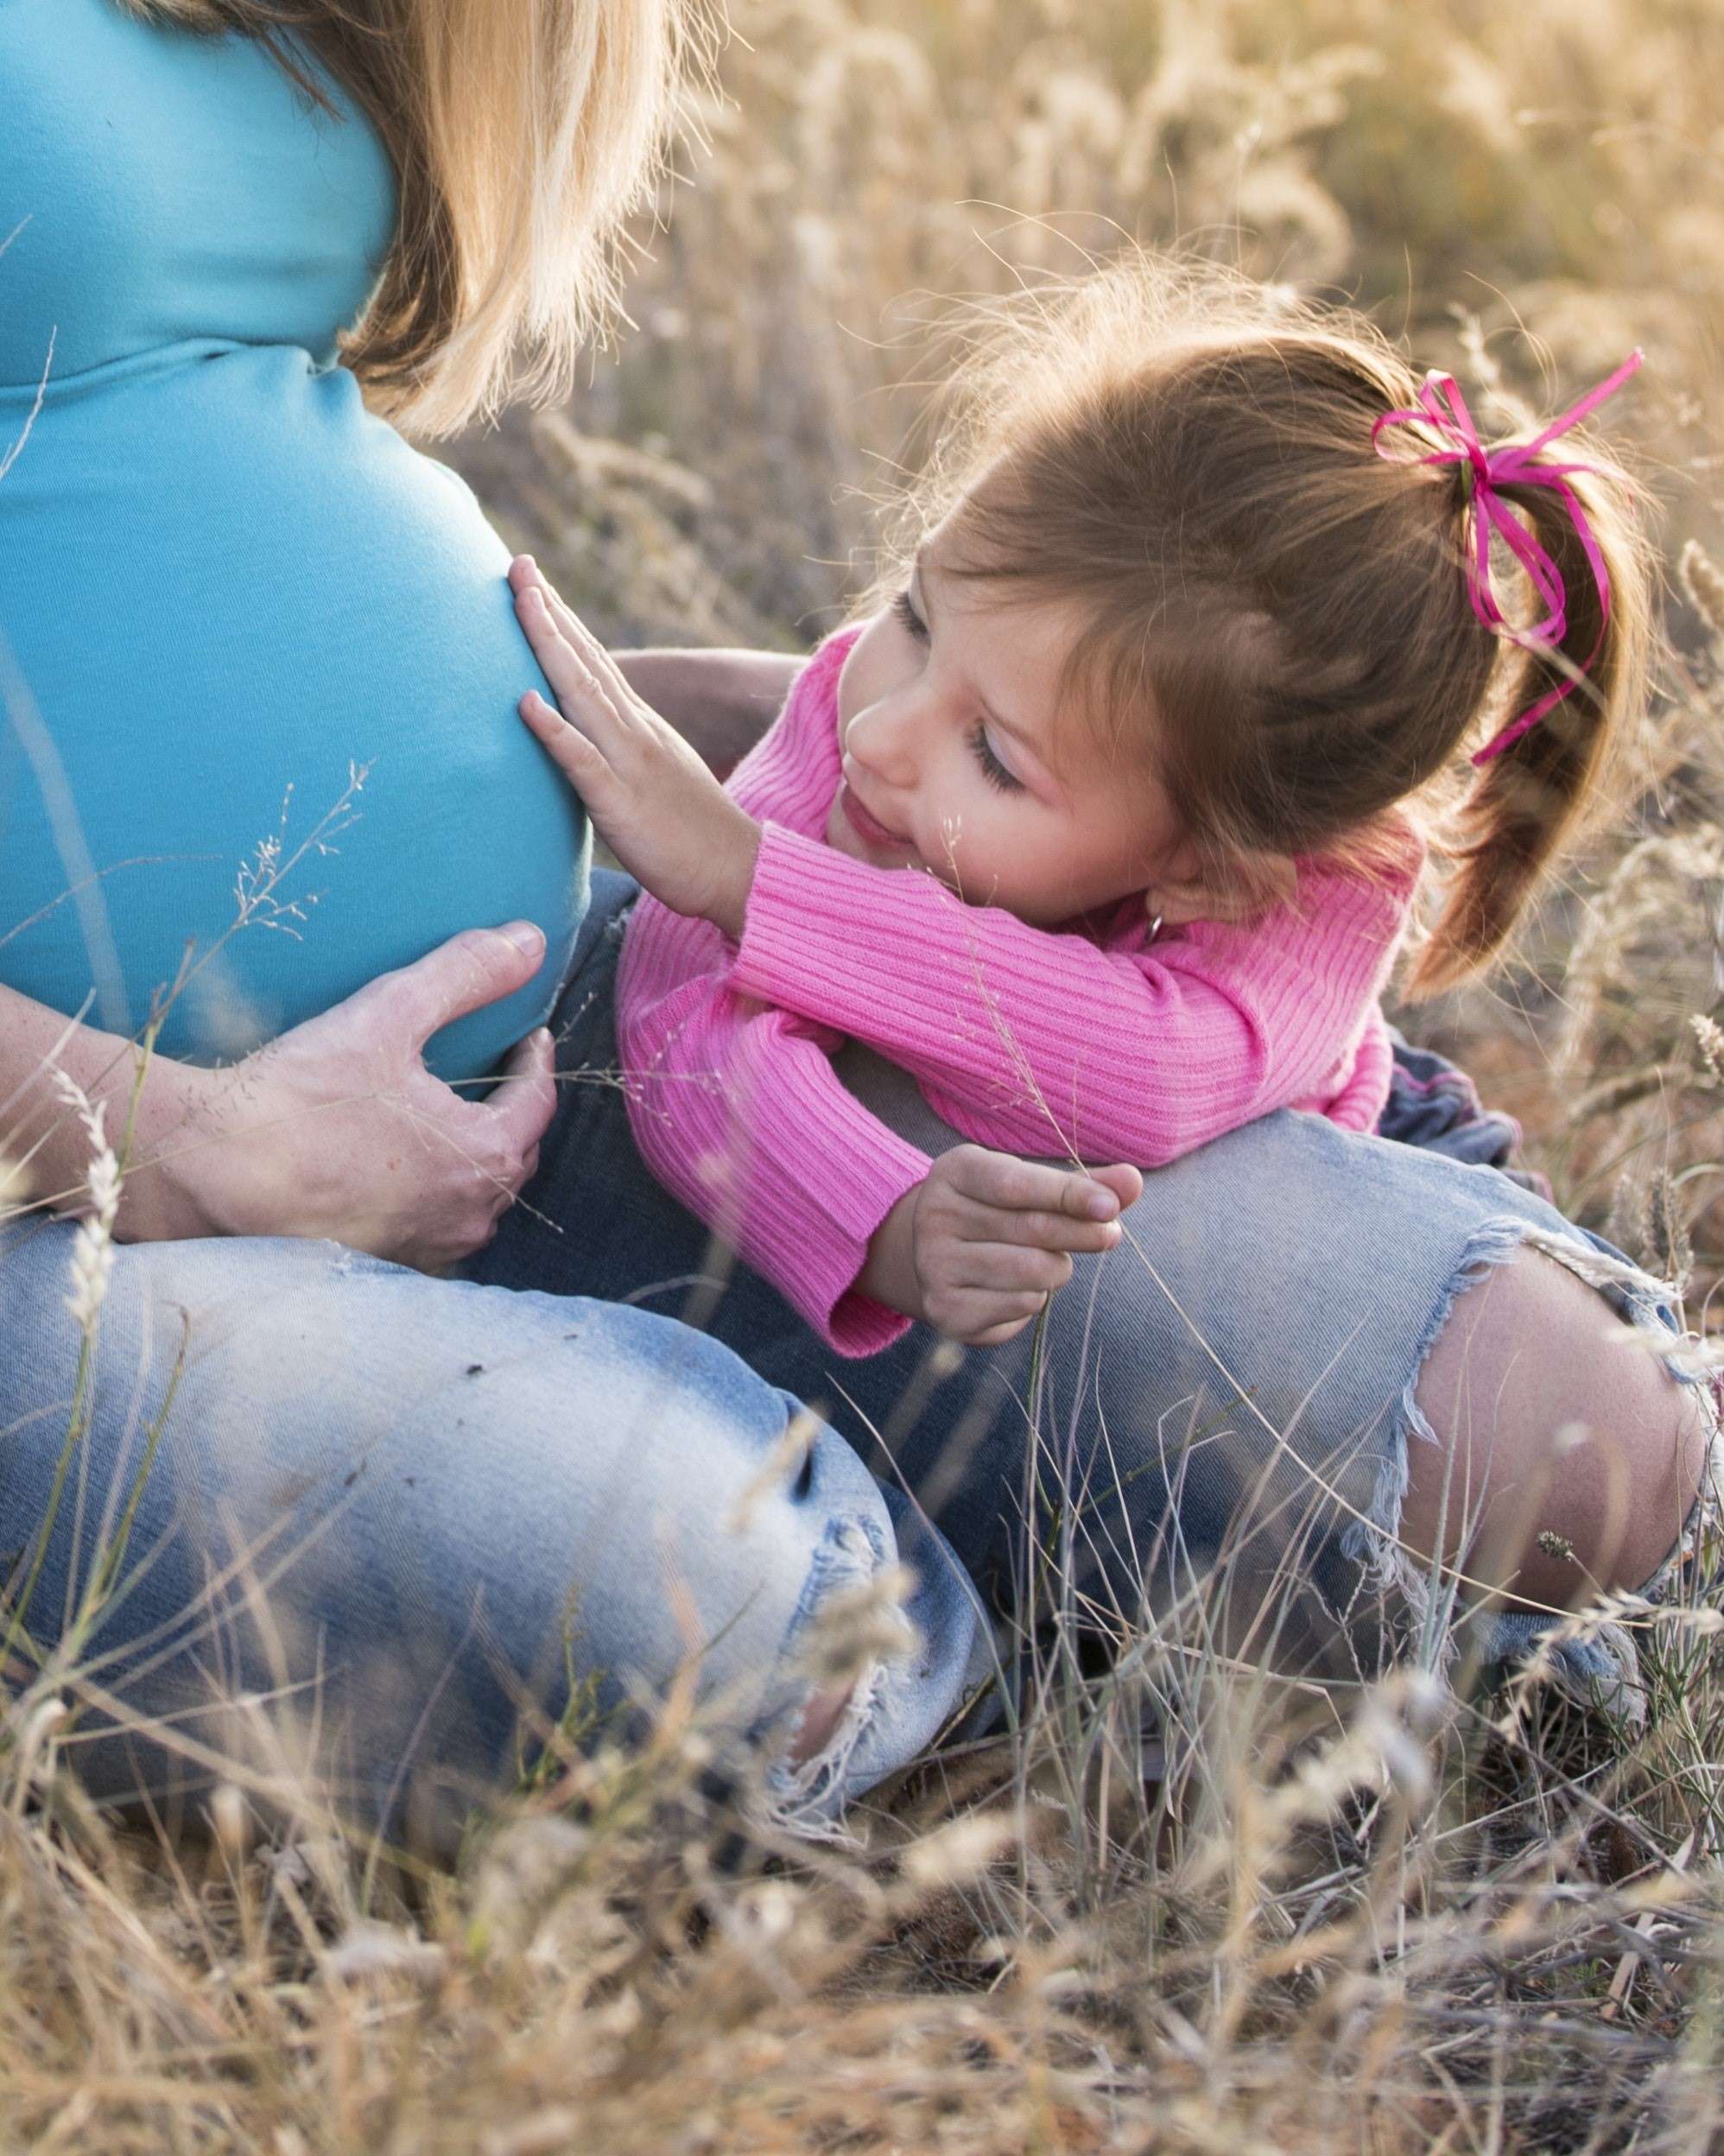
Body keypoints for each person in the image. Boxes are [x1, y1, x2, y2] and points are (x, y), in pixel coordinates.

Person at [0, 1, 1708, 1844]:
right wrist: (165, 1137)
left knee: (1546, 1436)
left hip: (567, 1024)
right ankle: (999, 1652)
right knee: (737, 1622)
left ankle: (1039, 1557)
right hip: (66, 1189)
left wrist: (676, 787)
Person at [494, 263, 1649, 1367]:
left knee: (1612, 1416)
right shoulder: (867, 723)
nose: (877, 733)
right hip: (1086, 1239)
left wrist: (754, 882)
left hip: (1375, 1149)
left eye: (994, 755)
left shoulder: (1315, 891)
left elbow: (1143, 1075)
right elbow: (675, 1013)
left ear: (1212, 874)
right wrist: (875, 1216)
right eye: (917, 616)